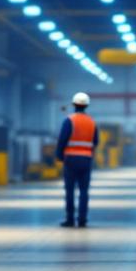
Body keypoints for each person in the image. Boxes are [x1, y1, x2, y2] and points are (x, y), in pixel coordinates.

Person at [56, 91, 99, 227]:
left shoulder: (69, 120)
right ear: (87, 105)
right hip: (86, 160)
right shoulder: (92, 122)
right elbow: (96, 141)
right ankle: (82, 219)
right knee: (84, 191)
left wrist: (59, 155)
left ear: (74, 104)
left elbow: (62, 139)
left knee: (69, 191)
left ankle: (70, 219)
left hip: (71, 160)